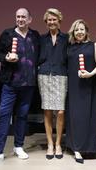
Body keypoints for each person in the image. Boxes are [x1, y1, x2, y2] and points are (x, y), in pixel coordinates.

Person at [0, 8, 40, 165]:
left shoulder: (35, 35)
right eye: (18, 17)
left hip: (29, 84)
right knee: (4, 114)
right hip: (10, 83)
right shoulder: (7, 34)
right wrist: (6, 57)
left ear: (30, 19)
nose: (20, 19)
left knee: (23, 115)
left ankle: (19, 146)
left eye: (23, 17)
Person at [66, 19, 96, 164]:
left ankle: (89, 147)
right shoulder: (69, 48)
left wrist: (90, 74)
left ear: (86, 31)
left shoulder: (94, 46)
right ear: (73, 33)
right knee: (75, 117)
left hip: (89, 84)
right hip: (74, 86)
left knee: (89, 115)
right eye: (76, 30)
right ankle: (76, 148)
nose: (79, 32)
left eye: (82, 29)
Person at [38, 8, 68, 159]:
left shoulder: (67, 38)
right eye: (49, 19)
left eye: (54, 19)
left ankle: (58, 144)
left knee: (60, 111)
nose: (51, 22)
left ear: (59, 20)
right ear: (46, 22)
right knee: (47, 111)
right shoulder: (41, 39)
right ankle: (50, 144)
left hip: (61, 76)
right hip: (44, 76)